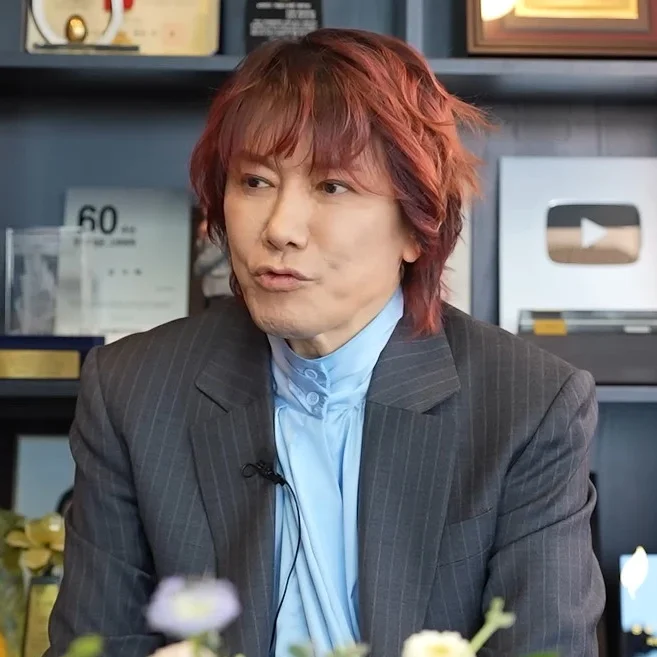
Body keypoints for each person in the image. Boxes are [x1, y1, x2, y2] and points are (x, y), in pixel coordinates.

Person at [47, 28, 605, 657]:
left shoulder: (530, 406)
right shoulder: (132, 391)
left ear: (416, 225)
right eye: (254, 181)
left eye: (332, 186)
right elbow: (92, 645)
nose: (280, 228)